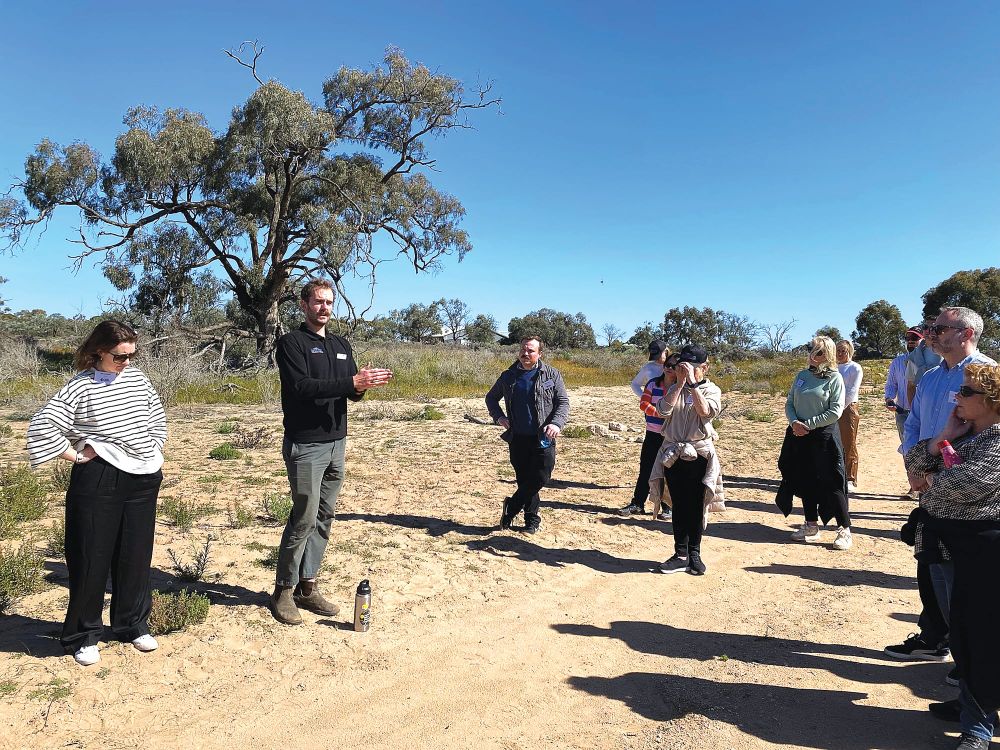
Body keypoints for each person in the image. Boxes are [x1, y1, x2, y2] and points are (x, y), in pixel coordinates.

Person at [26, 321, 166, 667]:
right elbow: (43, 424)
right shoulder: (81, 386)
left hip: (144, 475)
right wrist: (75, 455)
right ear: (99, 351)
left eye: (132, 355)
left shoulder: (138, 379)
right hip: (100, 476)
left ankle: (131, 625)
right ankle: (84, 635)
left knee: (134, 553)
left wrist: (154, 446)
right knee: (91, 554)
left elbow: (156, 417)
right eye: (120, 357)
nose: (127, 363)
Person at [270, 279, 393, 626]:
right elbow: (302, 387)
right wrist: (350, 383)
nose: (324, 308)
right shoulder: (292, 343)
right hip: (306, 444)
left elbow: (349, 392)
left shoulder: (340, 344)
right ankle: (283, 590)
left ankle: (308, 587)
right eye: (318, 302)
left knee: (324, 516)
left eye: (329, 302)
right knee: (304, 516)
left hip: (337, 441)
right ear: (304, 305)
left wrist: (363, 385)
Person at [886, 306, 995, 663]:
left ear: (966, 334)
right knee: (930, 562)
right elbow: (914, 423)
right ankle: (935, 637)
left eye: (941, 327)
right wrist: (913, 469)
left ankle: (969, 663)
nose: (932, 332)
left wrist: (936, 476)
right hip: (928, 477)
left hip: (966, 491)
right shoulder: (932, 376)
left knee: (963, 580)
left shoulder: (985, 374)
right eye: (931, 327)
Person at [904, 364, 1000, 750]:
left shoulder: (996, 441)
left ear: (992, 401)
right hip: (944, 547)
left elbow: (962, 488)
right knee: (959, 632)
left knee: (982, 636)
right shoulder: (961, 436)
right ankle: (970, 704)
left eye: (966, 392)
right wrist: (941, 438)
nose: (956, 396)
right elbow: (913, 469)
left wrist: (928, 482)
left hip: (983, 553)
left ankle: (977, 726)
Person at [774, 335, 852, 550]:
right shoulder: (801, 376)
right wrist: (794, 423)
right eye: (811, 350)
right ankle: (810, 525)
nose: (812, 355)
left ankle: (844, 529)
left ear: (826, 355)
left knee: (832, 481)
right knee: (804, 479)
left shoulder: (834, 378)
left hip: (823, 436)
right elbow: (790, 402)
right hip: (798, 435)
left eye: (817, 352)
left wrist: (808, 424)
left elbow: (835, 410)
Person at [486, 335, 569, 534]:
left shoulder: (551, 375)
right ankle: (532, 520)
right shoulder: (508, 376)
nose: (525, 353)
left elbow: (563, 402)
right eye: (523, 349)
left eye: (531, 350)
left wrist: (556, 424)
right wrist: (499, 418)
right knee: (525, 480)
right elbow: (491, 398)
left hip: (543, 437)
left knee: (541, 476)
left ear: (539, 353)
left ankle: (512, 506)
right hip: (518, 438)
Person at [653, 344, 724, 576]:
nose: (685, 370)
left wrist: (693, 384)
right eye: (681, 366)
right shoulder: (675, 387)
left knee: (695, 505)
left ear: (705, 367)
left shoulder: (712, 389)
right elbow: (662, 411)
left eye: (692, 367)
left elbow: (706, 412)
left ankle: (695, 553)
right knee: (678, 504)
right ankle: (680, 553)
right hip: (673, 454)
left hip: (698, 454)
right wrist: (680, 384)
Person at [620, 347, 675, 518]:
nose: (669, 368)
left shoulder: (680, 388)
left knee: (669, 471)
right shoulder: (653, 383)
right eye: (668, 364)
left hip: (672, 436)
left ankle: (667, 507)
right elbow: (644, 404)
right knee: (646, 469)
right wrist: (660, 413)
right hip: (652, 433)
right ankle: (637, 503)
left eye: (674, 366)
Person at [885, 327, 924, 491]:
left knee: (925, 447)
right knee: (907, 448)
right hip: (903, 413)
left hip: (924, 413)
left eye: (914, 338)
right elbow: (891, 384)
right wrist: (889, 398)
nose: (910, 340)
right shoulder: (897, 362)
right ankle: (912, 484)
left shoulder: (929, 362)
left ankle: (925, 483)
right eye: (908, 337)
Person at [836, 340, 863, 492]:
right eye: (838, 350)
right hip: (833, 408)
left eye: (843, 351)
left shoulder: (855, 368)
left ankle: (850, 478)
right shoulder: (833, 368)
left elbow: (852, 390)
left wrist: (840, 407)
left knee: (848, 442)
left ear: (849, 352)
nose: (840, 354)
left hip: (848, 408)